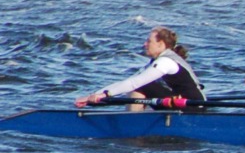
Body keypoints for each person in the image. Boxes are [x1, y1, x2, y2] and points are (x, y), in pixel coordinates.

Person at [75, 27, 204, 107]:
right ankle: (135, 118)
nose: (145, 44)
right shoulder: (158, 61)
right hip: (180, 102)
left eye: (149, 41)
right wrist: (96, 95)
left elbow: (134, 83)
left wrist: (105, 94)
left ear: (161, 44)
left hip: (193, 107)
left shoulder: (166, 62)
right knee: (138, 85)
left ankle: (132, 122)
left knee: (141, 85)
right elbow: (129, 81)